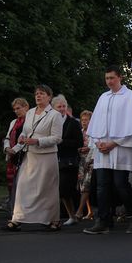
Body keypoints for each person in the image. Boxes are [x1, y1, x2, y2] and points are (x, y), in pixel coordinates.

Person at [83, 65, 132, 235]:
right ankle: (103, 220)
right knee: (102, 186)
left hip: (120, 148)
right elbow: (95, 124)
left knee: (121, 185)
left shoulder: (129, 96)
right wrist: (97, 143)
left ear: (120, 78)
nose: (109, 81)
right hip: (102, 149)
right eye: (107, 78)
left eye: (112, 78)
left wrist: (114, 143)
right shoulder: (103, 97)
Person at [2, 85, 63, 231]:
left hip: (47, 157)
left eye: (42, 94)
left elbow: (57, 138)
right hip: (29, 155)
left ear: (49, 97)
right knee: (22, 187)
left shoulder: (55, 115)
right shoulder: (29, 113)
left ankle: (53, 220)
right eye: (36, 94)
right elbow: (24, 133)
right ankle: (17, 218)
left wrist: (38, 141)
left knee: (47, 189)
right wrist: (15, 148)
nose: (38, 96)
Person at [53, 94, 83, 226]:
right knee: (56, 190)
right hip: (53, 159)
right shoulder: (51, 122)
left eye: (64, 106)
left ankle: (72, 215)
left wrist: (61, 141)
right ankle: (61, 215)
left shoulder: (73, 123)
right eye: (59, 106)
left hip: (68, 161)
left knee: (65, 189)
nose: (62, 108)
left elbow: (79, 142)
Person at [2, 98, 29, 211]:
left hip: (24, 155)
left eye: (19, 108)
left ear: (26, 107)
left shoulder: (29, 121)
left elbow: (28, 137)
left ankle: (24, 209)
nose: (16, 111)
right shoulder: (14, 122)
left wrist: (15, 149)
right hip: (12, 157)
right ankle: (15, 208)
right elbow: (7, 137)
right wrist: (7, 147)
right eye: (15, 109)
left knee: (23, 184)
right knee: (12, 183)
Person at [76, 110, 94, 220]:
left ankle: (79, 211)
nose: (84, 122)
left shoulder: (93, 132)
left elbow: (94, 146)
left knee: (87, 185)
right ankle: (89, 211)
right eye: (82, 120)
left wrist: (88, 148)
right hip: (81, 161)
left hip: (91, 161)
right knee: (82, 186)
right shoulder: (80, 132)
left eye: (86, 120)